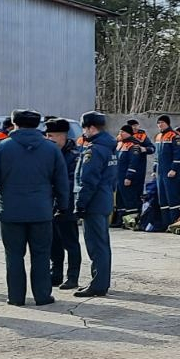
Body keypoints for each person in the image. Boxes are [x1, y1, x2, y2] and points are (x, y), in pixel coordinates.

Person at [0, 110, 70, 306]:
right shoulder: (51, 149)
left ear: (14, 123)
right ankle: (42, 295)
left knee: (13, 255)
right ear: (38, 125)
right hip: (41, 211)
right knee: (41, 254)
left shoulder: (2, 148)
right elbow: (61, 180)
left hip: (11, 211)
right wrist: (63, 205)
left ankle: (16, 297)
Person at [73, 112, 116, 298]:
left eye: (85, 128)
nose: (84, 132)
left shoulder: (94, 150)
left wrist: (80, 204)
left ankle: (98, 284)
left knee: (96, 245)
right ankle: (100, 281)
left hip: (94, 202)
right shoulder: (109, 147)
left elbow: (88, 181)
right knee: (102, 244)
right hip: (104, 199)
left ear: (91, 128)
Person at [46, 119, 83, 289]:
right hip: (49, 206)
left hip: (67, 205)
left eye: (51, 136)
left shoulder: (74, 155)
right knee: (54, 242)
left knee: (70, 242)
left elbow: (71, 181)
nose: (48, 139)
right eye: (47, 135)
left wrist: (54, 188)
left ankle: (73, 276)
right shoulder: (48, 153)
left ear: (62, 136)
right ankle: (56, 273)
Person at [153, 116, 180, 216]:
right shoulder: (158, 136)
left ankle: (174, 220)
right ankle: (165, 222)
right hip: (160, 171)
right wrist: (154, 169)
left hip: (170, 170)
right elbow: (157, 155)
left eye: (162, 122)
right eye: (158, 123)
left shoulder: (174, 136)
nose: (160, 125)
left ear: (167, 123)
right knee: (162, 197)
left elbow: (178, 153)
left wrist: (174, 169)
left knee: (172, 196)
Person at [113, 125, 147, 227]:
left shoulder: (133, 145)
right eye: (120, 132)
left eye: (122, 132)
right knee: (120, 199)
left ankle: (131, 221)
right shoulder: (119, 144)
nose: (120, 134)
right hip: (118, 177)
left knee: (129, 199)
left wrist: (129, 177)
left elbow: (133, 163)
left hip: (126, 177)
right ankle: (121, 220)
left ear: (128, 133)